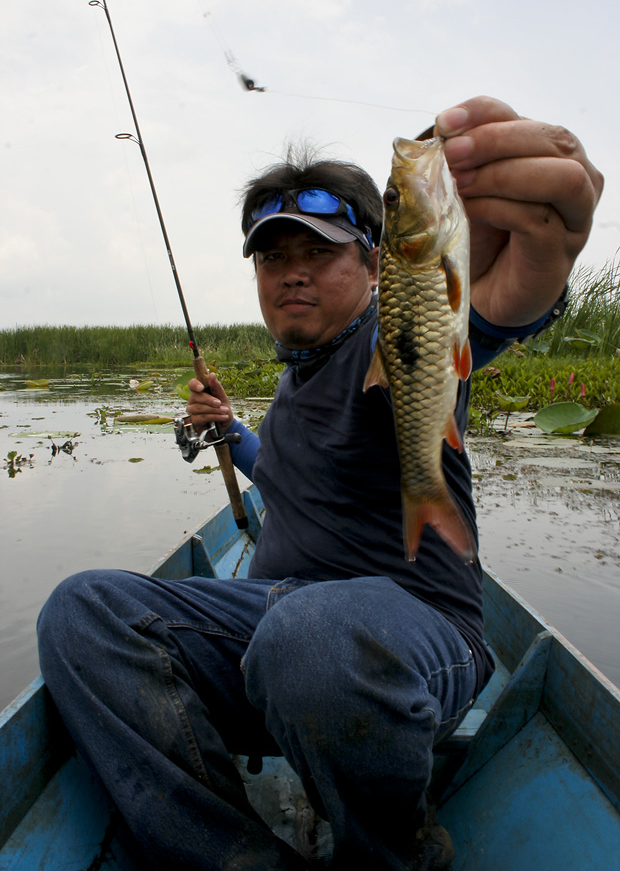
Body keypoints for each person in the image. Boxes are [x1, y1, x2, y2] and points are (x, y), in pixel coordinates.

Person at [37, 96, 603, 871]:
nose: (293, 273)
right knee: (82, 609)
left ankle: (387, 855)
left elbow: (484, 314)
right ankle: (231, 856)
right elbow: (285, 475)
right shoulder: (297, 383)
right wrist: (233, 431)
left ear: (376, 264)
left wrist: (536, 274)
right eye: (274, 256)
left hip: (408, 636)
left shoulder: (391, 339)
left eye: (322, 251)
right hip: (276, 624)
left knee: (308, 637)